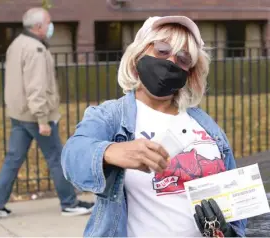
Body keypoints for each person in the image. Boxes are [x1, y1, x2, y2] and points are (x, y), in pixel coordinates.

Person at [61, 16, 247, 237]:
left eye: (183, 58)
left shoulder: (206, 125)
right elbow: (72, 157)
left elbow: (236, 209)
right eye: (161, 50)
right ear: (139, 54)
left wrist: (227, 232)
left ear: (191, 72)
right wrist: (110, 152)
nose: (170, 62)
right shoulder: (110, 116)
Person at [0, 7, 94, 218]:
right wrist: (43, 119)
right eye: (48, 22)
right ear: (38, 27)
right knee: (57, 157)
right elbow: (36, 87)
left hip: (19, 114)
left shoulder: (16, 44)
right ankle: (70, 203)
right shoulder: (36, 49)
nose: (50, 26)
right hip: (36, 116)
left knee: (13, 158)